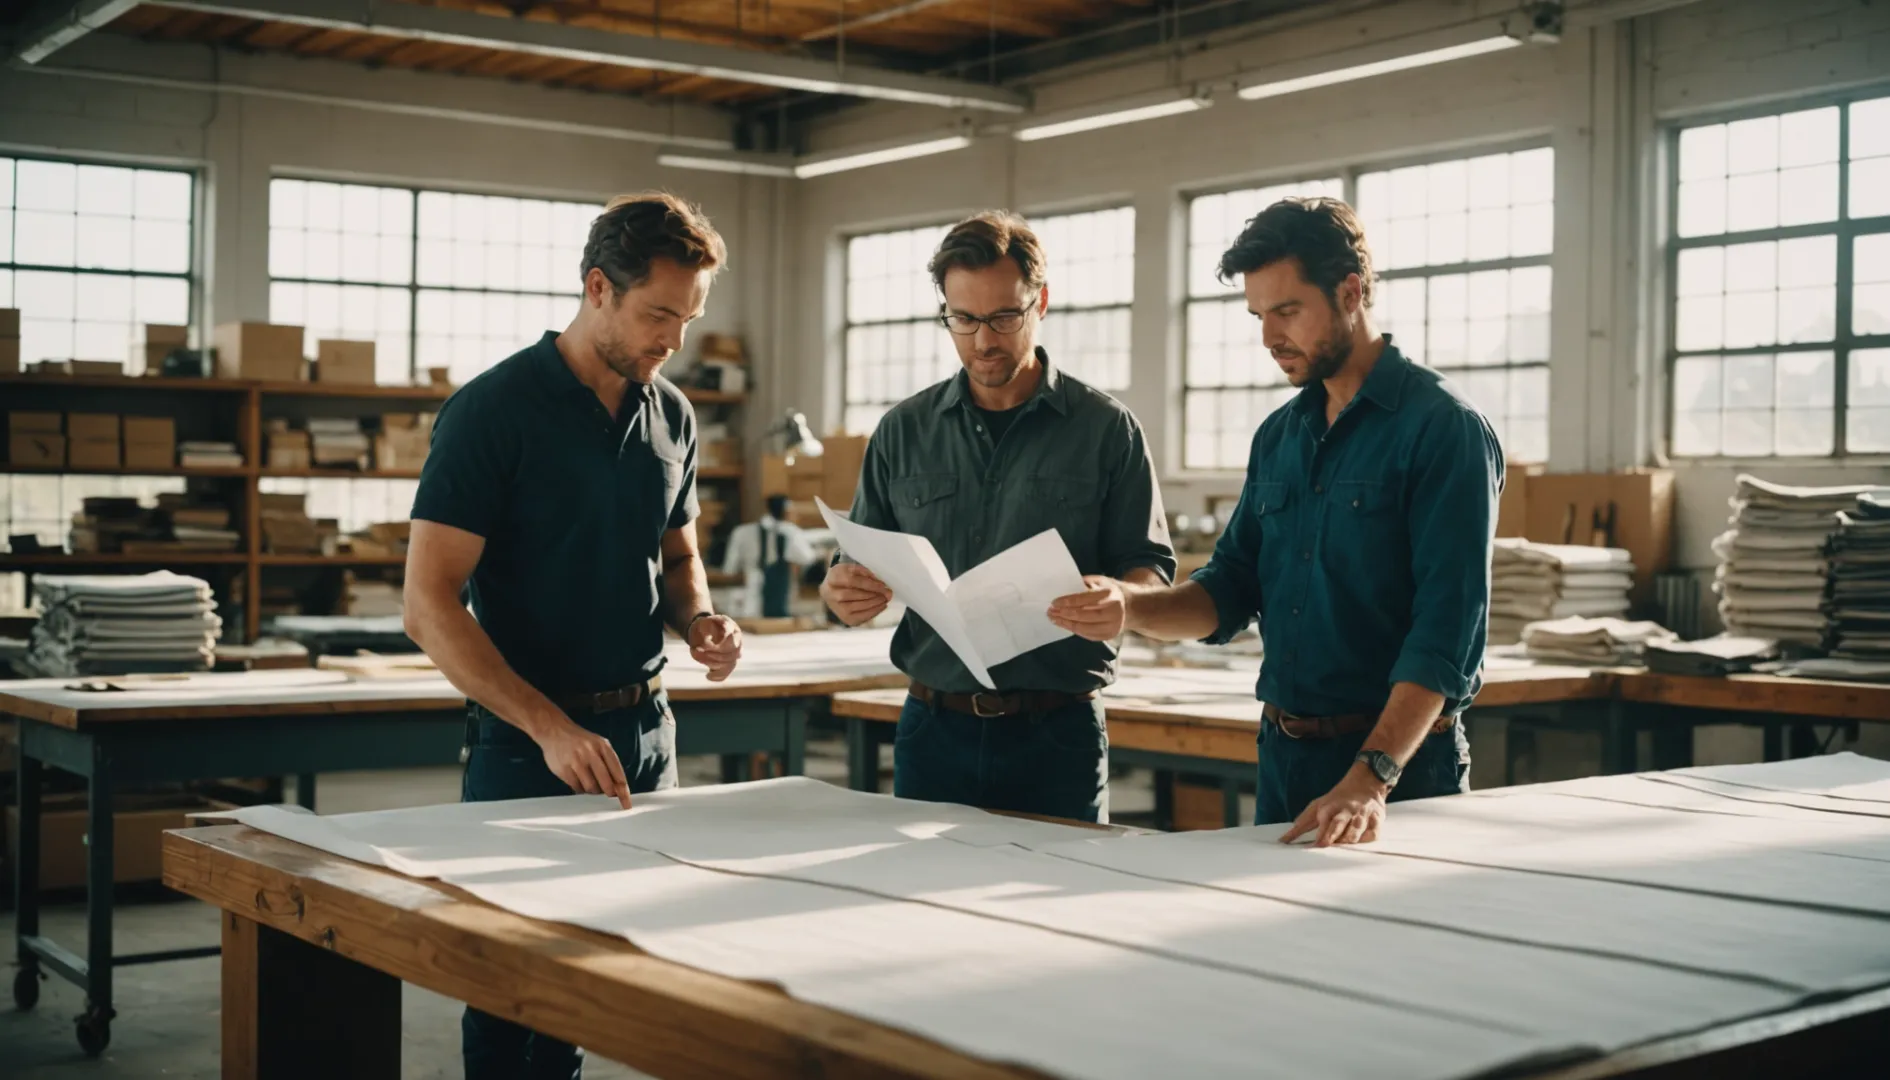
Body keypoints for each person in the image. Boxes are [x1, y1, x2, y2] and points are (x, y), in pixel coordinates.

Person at [403, 191, 744, 1080]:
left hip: (646, 736)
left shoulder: (671, 414)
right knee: (511, 986)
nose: (674, 338)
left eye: (689, 317)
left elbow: (677, 558)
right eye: (658, 313)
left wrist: (703, 620)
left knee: (595, 977)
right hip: (528, 749)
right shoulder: (492, 412)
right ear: (598, 288)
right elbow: (429, 604)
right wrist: (546, 727)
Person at [1050, 197, 1503, 847]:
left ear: (1350, 293)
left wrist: (1370, 777)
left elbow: (1448, 634)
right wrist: (1130, 605)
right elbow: (1230, 586)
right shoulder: (1280, 437)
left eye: (1287, 311)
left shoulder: (1444, 430)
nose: (1269, 337)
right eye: (1258, 315)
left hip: (1398, 771)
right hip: (1285, 756)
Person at [821, 211, 1174, 824]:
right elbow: (855, 562)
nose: (983, 340)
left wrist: (1122, 597)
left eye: (1005, 317)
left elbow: (1150, 572)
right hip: (932, 730)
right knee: (921, 911)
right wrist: (840, 591)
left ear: (1042, 303)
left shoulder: (1106, 430)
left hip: (1058, 733)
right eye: (963, 319)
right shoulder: (903, 431)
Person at [722, 494, 818, 618]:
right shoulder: (790, 532)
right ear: (787, 512)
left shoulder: (741, 532)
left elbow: (729, 567)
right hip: (776, 594)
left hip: (747, 593)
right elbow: (807, 557)